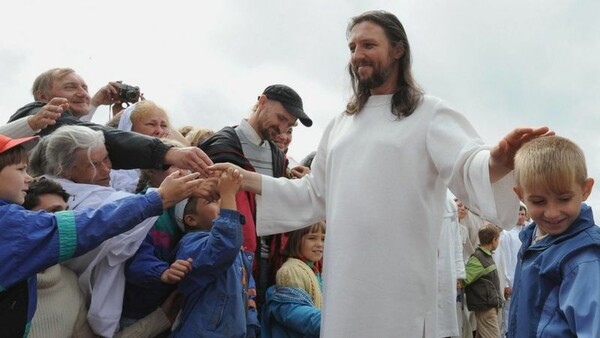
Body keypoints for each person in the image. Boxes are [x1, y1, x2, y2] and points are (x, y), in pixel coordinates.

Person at [210, 10, 552, 337]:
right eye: (353, 47)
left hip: (399, 284)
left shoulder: (429, 113)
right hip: (346, 283)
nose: (358, 54)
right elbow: (315, 193)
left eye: (369, 45)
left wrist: (499, 160)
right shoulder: (341, 124)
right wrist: (244, 177)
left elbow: (467, 163)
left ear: (398, 50)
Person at [0, 133, 202, 338]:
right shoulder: (10, 227)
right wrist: (157, 199)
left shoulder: (69, 286)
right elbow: (88, 225)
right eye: (19, 169)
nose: (28, 177)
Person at [200, 84, 313, 309]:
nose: (282, 129)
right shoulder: (222, 144)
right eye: (281, 118)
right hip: (225, 260)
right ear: (262, 102)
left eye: (289, 125)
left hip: (267, 263)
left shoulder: (277, 156)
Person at [8, 67, 213, 175]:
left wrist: (95, 102)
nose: (82, 93)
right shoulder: (38, 114)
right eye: (70, 87)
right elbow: (87, 135)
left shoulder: (64, 120)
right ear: (42, 96)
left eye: (85, 88)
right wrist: (165, 152)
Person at [508, 135, 600, 337]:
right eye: (539, 201)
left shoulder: (584, 259)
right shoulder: (531, 240)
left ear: (585, 190)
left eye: (564, 199)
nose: (552, 213)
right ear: (520, 195)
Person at [171, 167, 260, 337]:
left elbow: (247, 293)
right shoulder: (190, 244)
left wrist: (251, 327)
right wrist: (227, 194)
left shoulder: (236, 248)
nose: (221, 203)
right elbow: (224, 244)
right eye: (212, 200)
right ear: (191, 219)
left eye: (220, 199)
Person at [262, 222, 325, 338]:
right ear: (296, 240)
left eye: (323, 239)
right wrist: (328, 321)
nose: (320, 244)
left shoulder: (313, 270)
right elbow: (292, 312)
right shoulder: (291, 270)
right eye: (312, 238)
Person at [462, 225, 503, 338]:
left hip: (488, 305)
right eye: (498, 239)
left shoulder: (485, 256)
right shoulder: (478, 258)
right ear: (494, 240)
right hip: (485, 307)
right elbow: (464, 280)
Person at [437, 192, 466, 338]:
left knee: (442, 321)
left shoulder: (448, 203)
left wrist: (459, 274)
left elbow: (456, 244)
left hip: (445, 271)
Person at [498, 205, 527, 335]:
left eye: (522, 214)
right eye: (518, 214)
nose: (520, 217)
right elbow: (505, 259)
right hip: (512, 278)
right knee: (509, 311)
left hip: (525, 278)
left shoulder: (528, 232)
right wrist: (506, 282)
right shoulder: (507, 233)